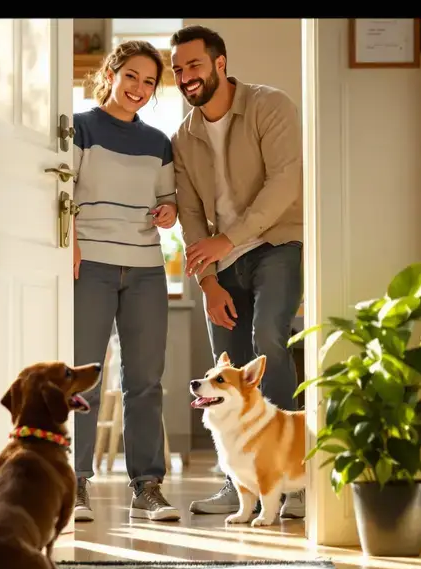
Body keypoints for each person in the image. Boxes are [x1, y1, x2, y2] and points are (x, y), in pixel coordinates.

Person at [168, 25, 306, 519]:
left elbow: (286, 182)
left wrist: (231, 237)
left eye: (194, 65)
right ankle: (241, 483)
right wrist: (205, 281)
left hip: (277, 242)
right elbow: (188, 214)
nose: (186, 77)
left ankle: (294, 483)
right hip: (221, 263)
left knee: (270, 338)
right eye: (179, 69)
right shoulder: (182, 137)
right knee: (229, 365)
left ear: (220, 63)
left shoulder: (271, 106)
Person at [71, 40, 180, 523]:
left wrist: (168, 211)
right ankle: (74, 482)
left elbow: (169, 202)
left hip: (145, 269)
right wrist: (68, 248)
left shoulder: (158, 142)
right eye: (131, 76)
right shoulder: (80, 127)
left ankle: (147, 486)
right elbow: (61, 190)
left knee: (145, 381)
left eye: (150, 81)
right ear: (111, 73)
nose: (139, 88)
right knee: (81, 380)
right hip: (89, 263)